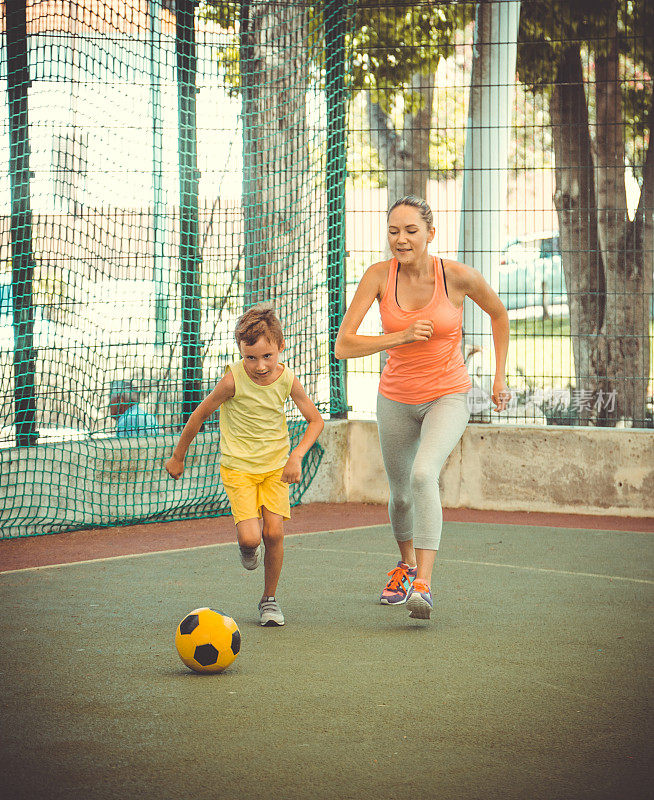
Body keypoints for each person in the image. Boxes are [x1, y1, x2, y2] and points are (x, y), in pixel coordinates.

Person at [335, 195, 510, 621]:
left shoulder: (458, 277)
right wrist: (400, 336)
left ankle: (424, 585)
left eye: (411, 230)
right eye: (394, 231)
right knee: (400, 496)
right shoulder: (378, 277)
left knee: (422, 473)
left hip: (448, 394)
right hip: (395, 397)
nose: (401, 238)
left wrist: (500, 376)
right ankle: (406, 565)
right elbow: (343, 345)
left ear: (431, 234)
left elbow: (499, 315)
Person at [165, 304, 324, 627]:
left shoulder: (288, 380)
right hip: (238, 468)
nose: (260, 366)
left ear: (281, 347)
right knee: (252, 539)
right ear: (241, 353)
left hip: (276, 468)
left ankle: (269, 600)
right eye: (250, 357)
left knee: (275, 533)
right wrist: (178, 456)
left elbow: (315, 421)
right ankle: (247, 547)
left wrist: (296, 455)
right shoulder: (232, 381)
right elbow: (199, 415)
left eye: (267, 356)